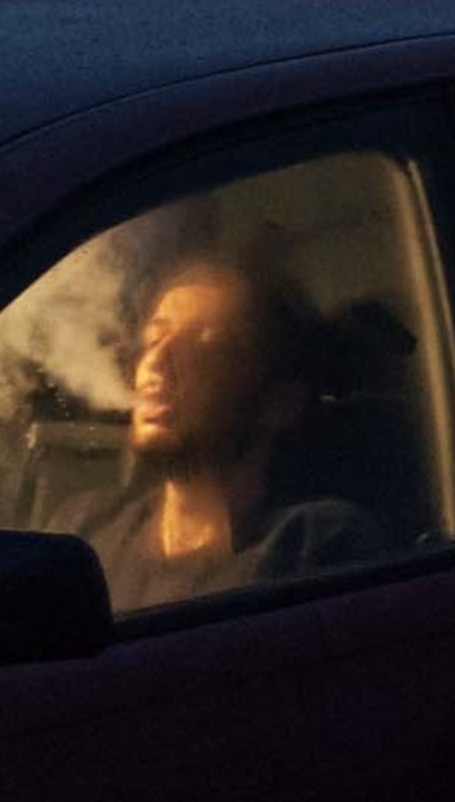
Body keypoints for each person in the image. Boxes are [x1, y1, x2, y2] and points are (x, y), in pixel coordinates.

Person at [83, 254, 388, 611]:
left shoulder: (315, 546)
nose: (158, 361)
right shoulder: (87, 527)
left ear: (281, 403)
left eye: (205, 346)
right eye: (154, 339)